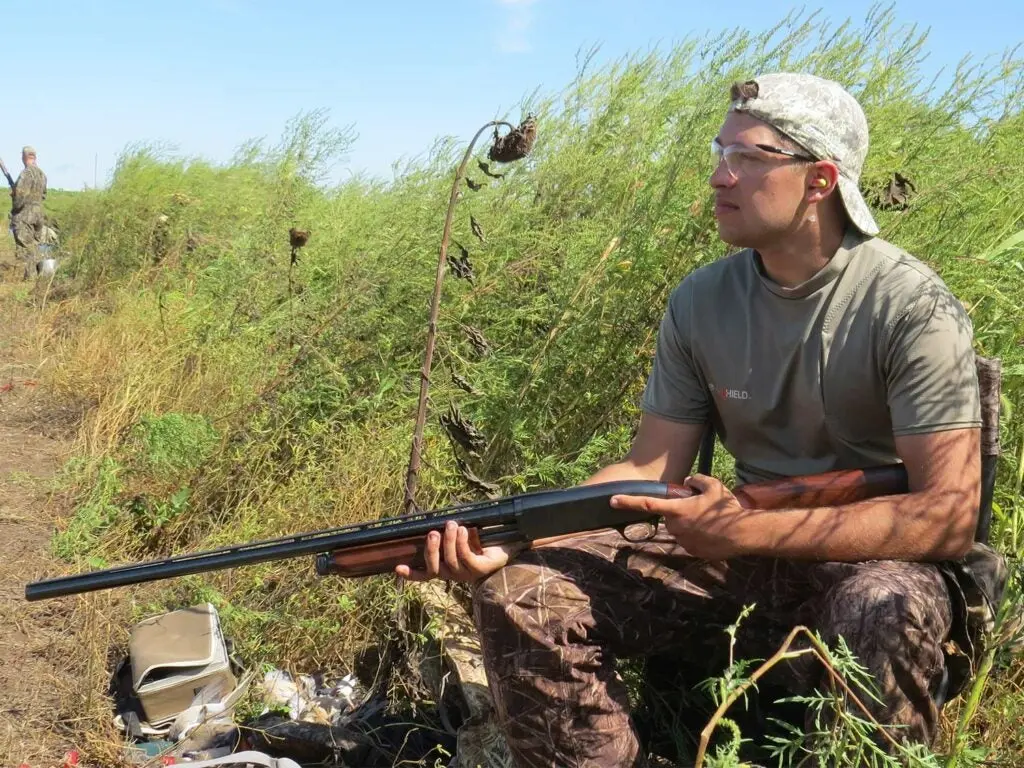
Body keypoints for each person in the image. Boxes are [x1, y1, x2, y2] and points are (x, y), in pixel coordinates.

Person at [396, 73, 998, 766]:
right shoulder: (701, 301)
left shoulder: (911, 306)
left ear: (821, 180)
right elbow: (651, 469)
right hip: (741, 555)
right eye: (721, 152)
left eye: (749, 158)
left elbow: (949, 516)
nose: (719, 177)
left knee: (881, 605)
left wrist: (745, 527)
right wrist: (516, 537)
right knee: (521, 591)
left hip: (878, 564)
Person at [11, 145, 48, 279]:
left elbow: (19, 198)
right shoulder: (42, 174)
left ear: (24, 157)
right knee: (36, 245)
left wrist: (14, 207)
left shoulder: (26, 174)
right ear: (34, 157)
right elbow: (43, 195)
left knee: (26, 247)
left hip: (25, 216)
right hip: (39, 216)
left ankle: (31, 279)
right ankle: (40, 276)